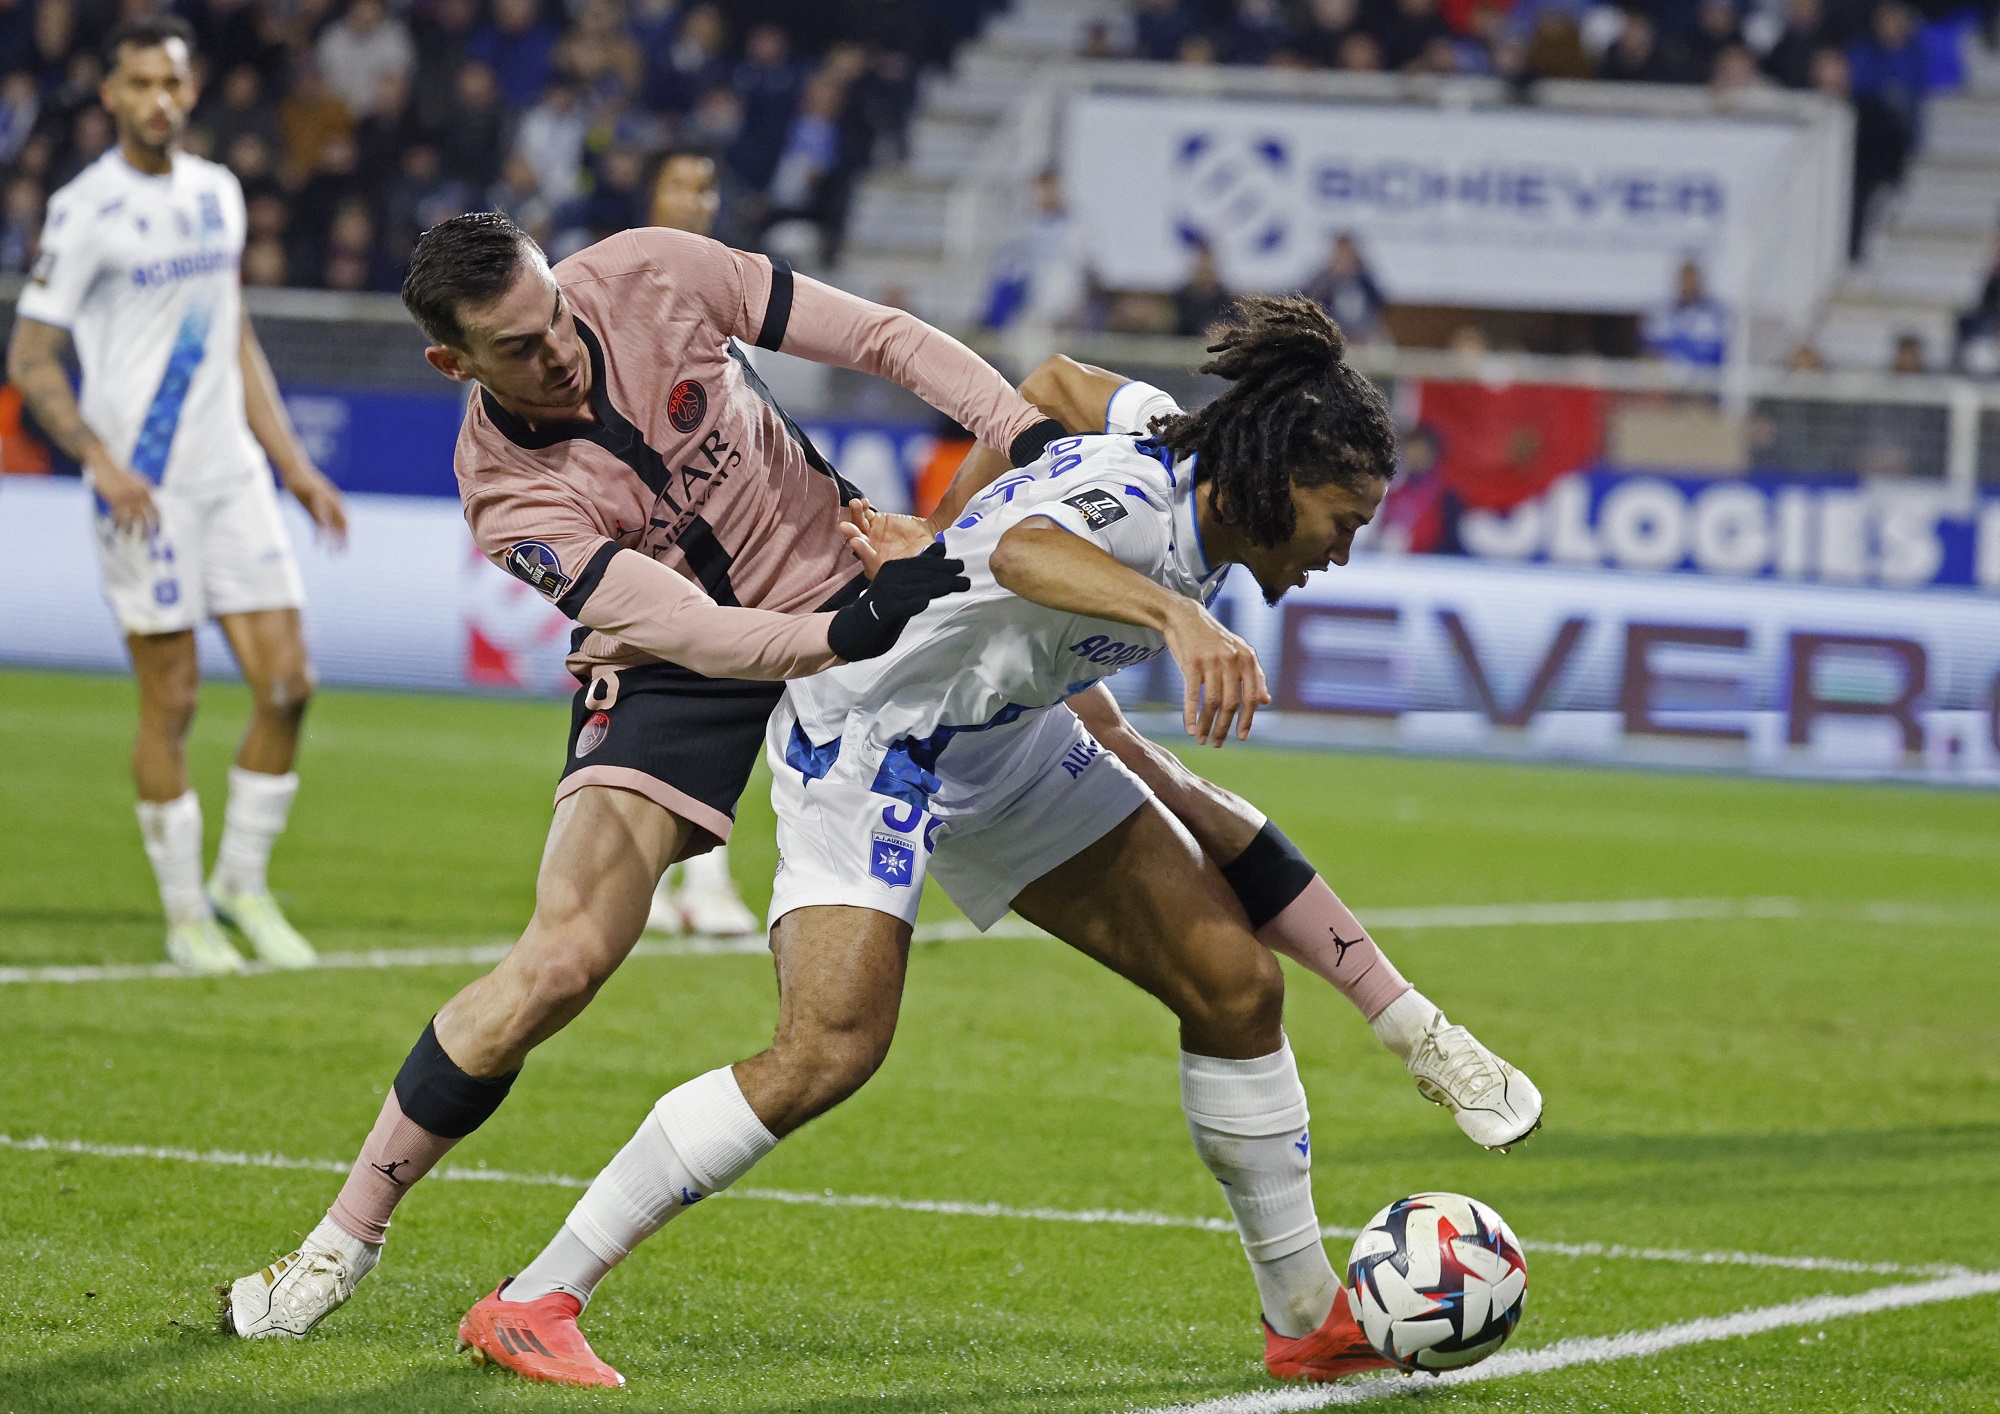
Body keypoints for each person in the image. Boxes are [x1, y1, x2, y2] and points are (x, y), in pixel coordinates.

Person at [454, 299, 1541, 1389]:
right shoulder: (1136, 510)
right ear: (1278, 476)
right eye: (1339, 519)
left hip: (1003, 736)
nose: (1341, 551)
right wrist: (1161, 615)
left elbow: (1061, 384)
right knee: (829, 1048)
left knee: (1232, 985)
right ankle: (535, 1295)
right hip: (874, 737)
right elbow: (1028, 548)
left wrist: (941, 535)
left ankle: (1304, 1319)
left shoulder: (1171, 434)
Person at [220, 210, 1067, 1337]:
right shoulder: (503, 494)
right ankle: (340, 1242)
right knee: (560, 960)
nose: (557, 349)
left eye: (554, 316)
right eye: (516, 348)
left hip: (843, 570)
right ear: (451, 363)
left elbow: (881, 340)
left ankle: (1379, 1006)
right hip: (682, 663)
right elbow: (697, 632)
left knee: (1098, 746)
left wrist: (1015, 426)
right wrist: (853, 632)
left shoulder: (654, 270)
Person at [6, 16, 348, 976]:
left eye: (174, 82)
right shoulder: (85, 210)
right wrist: (101, 462)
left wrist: (291, 465)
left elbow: (230, 334)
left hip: (230, 475)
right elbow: (31, 359)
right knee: (175, 701)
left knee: (289, 686)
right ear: (111, 94)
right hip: (141, 489)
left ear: (191, 92)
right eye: (142, 82)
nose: (161, 97)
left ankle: (242, 885)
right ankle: (185, 912)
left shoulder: (219, 194)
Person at [638, 141, 762, 937]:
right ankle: (654, 882)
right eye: (681, 184)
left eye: (707, 188)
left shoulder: (723, 294)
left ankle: (698, 881)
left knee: (722, 702)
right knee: (650, 701)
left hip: (718, 539)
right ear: (650, 193)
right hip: (646, 540)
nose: (697, 201)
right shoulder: (616, 291)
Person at [1642, 257, 1729, 366]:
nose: (1688, 284)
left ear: (1699, 281)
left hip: (1707, 377)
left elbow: (1724, 350)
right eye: (1684, 280)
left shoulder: (1716, 315)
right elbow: (1650, 350)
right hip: (1669, 377)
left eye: (1692, 279)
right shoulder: (1663, 314)